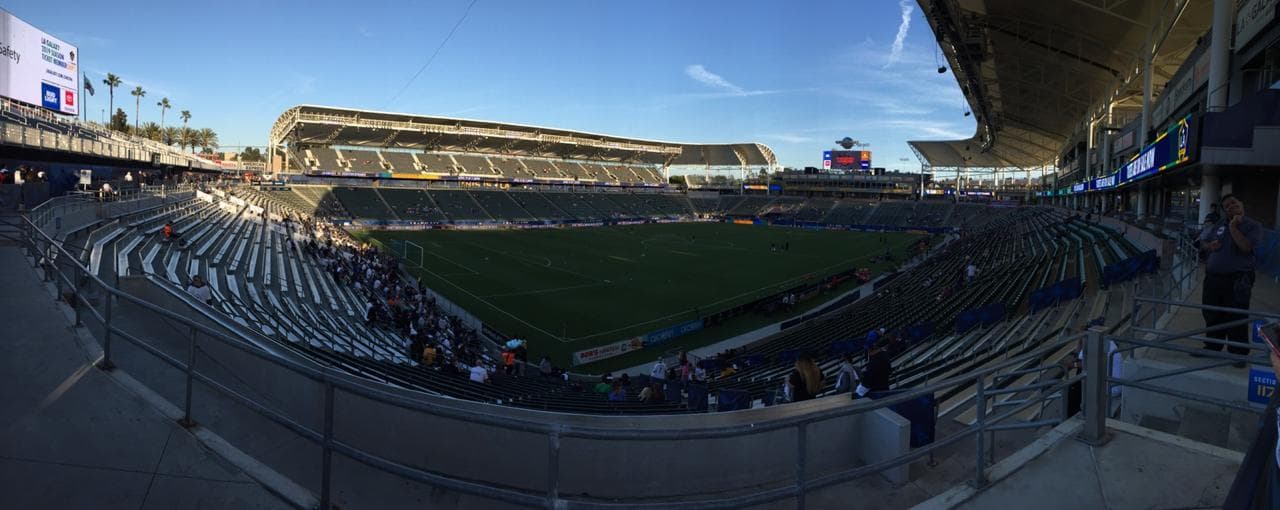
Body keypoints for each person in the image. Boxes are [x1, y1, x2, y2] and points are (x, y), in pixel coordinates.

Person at [1197, 194, 1263, 367]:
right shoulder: (1219, 224)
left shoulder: (1252, 225)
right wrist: (1208, 246)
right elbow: (1204, 241)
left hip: (1237, 279)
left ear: (1241, 203)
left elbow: (1246, 247)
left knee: (1236, 315)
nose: (1231, 206)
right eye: (1227, 206)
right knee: (1212, 313)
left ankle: (1238, 354)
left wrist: (1234, 225)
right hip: (1213, 279)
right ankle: (1212, 347)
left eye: (1234, 202)